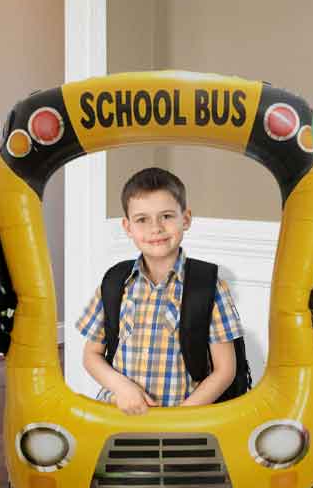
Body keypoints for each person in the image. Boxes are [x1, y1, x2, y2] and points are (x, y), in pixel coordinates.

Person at [76, 167, 243, 414]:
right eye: (142, 219)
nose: (155, 228)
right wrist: (122, 388)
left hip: (183, 418)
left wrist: (179, 418)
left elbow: (225, 370)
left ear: (185, 219)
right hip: (118, 414)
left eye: (166, 216)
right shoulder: (115, 282)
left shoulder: (208, 286)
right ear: (127, 227)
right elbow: (91, 355)